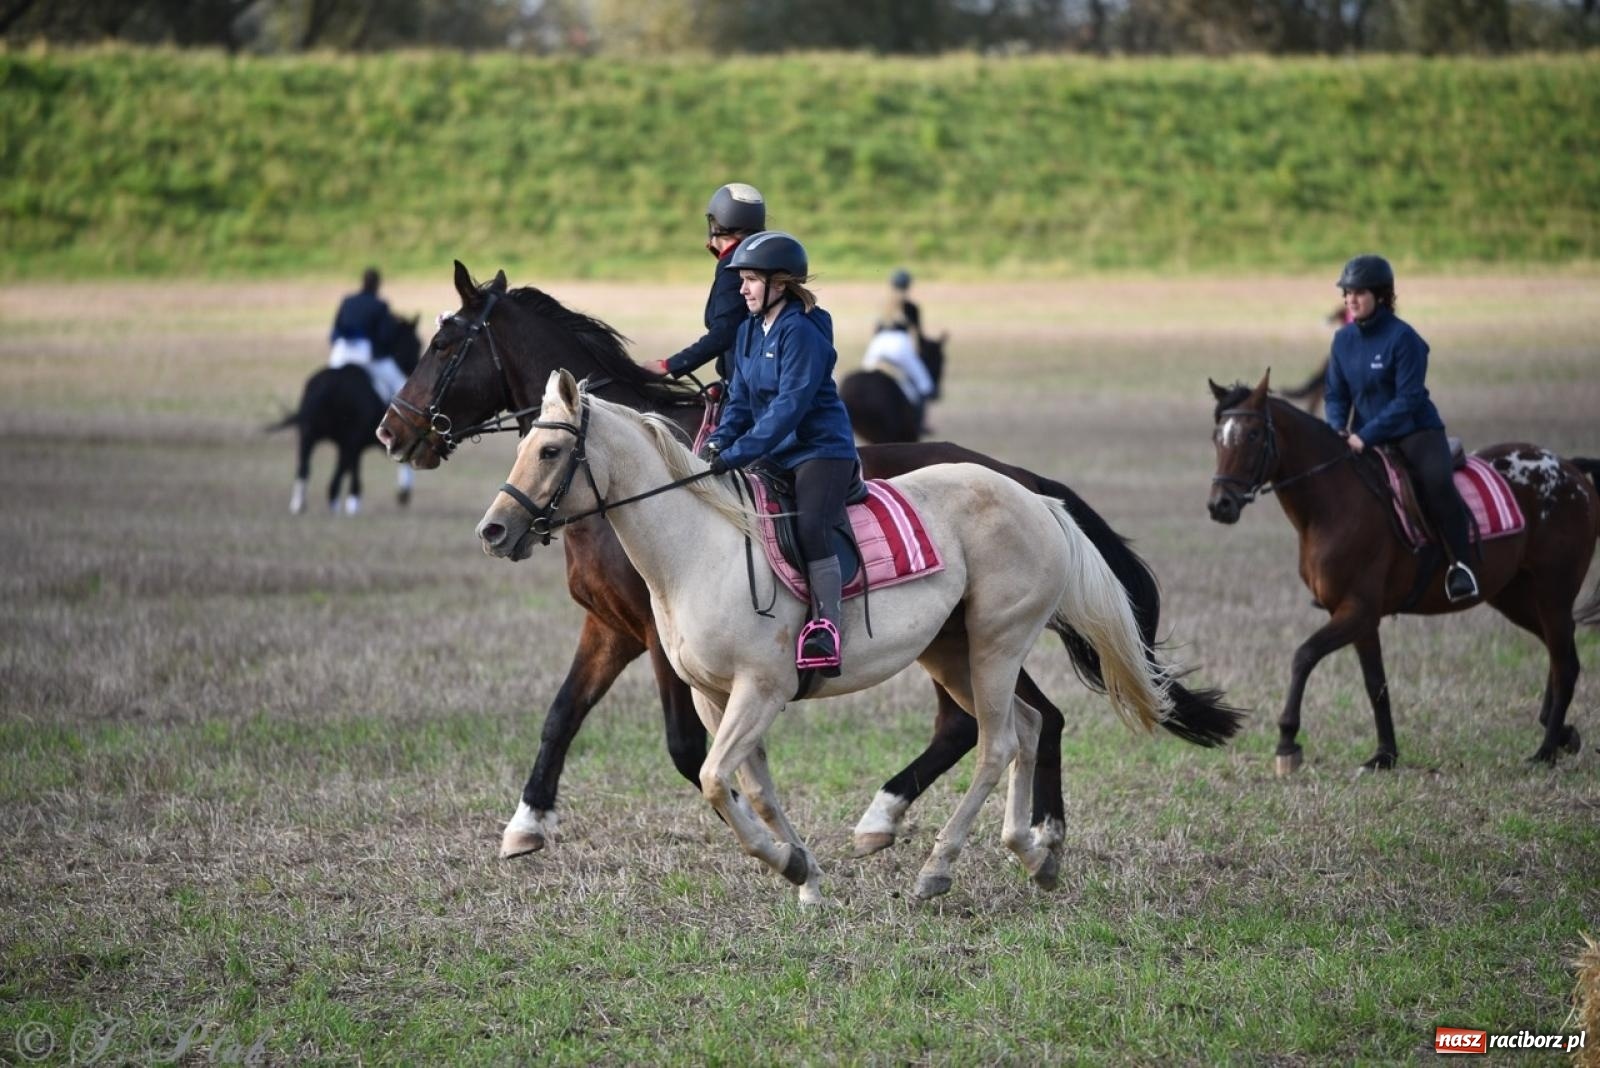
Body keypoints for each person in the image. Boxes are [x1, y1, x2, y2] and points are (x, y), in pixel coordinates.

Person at [704, 231, 859, 675]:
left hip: (819, 450)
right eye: (743, 280)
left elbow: (789, 408)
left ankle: (825, 628)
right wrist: (718, 442)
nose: (742, 289)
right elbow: (739, 400)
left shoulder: (802, 331)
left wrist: (738, 453)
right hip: (773, 452)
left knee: (811, 526)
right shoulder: (748, 330)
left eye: (751, 280)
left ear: (781, 284)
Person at [1324, 254, 1479, 602]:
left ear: (1381, 295)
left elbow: (1408, 400)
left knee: (1436, 483)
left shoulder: (1404, 338)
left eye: (1359, 292)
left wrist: (1365, 436)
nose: (1350, 299)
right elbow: (1335, 394)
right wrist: (1336, 428)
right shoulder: (1342, 340)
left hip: (1415, 433)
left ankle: (1462, 567)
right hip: (1362, 437)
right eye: (1346, 293)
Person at [644, 182, 766, 383]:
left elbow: (724, 333)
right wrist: (721, 384)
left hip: (747, 386)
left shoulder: (734, 265)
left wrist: (669, 365)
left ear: (716, 225)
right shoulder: (760, 257)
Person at [327, 267, 404, 404]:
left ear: (362, 281)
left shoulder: (347, 301)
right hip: (365, 355)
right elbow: (385, 336)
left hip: (340, 352)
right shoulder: (380, 305)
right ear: (377, 284)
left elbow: (335, 332)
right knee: (400, 385)